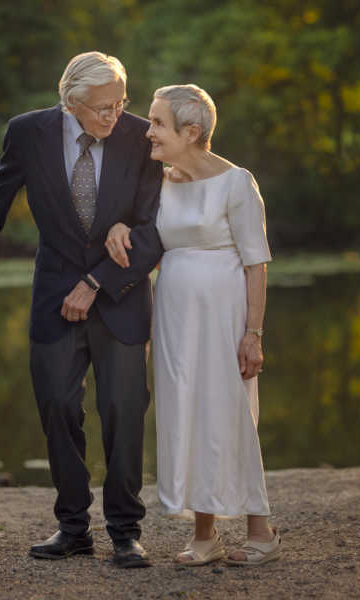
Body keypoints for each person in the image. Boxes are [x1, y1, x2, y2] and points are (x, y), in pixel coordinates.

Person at [0, 52, 163, 568]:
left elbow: (156, 228)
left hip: (120, 296)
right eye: (101, 109)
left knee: (123, 413)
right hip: (54, 297)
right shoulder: (29, 133)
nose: (113, 117)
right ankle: (73, 527)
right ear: (70, 103)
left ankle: (125, 531)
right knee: (58, 410)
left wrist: (97, 281)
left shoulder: (141, 137)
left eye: (120, 104)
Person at [105, 84, 281, 566]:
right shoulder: (158, 180)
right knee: (185, 412)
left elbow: (256, 262)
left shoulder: (236, 182)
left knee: (230, 413)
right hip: (174, 315)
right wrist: (119, 227)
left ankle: (260, 530)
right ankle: (205, 536)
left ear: (192, 131)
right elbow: (137, 227)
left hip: (225, 313)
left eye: (158, 124)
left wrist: (253, 333)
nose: (148, 133)